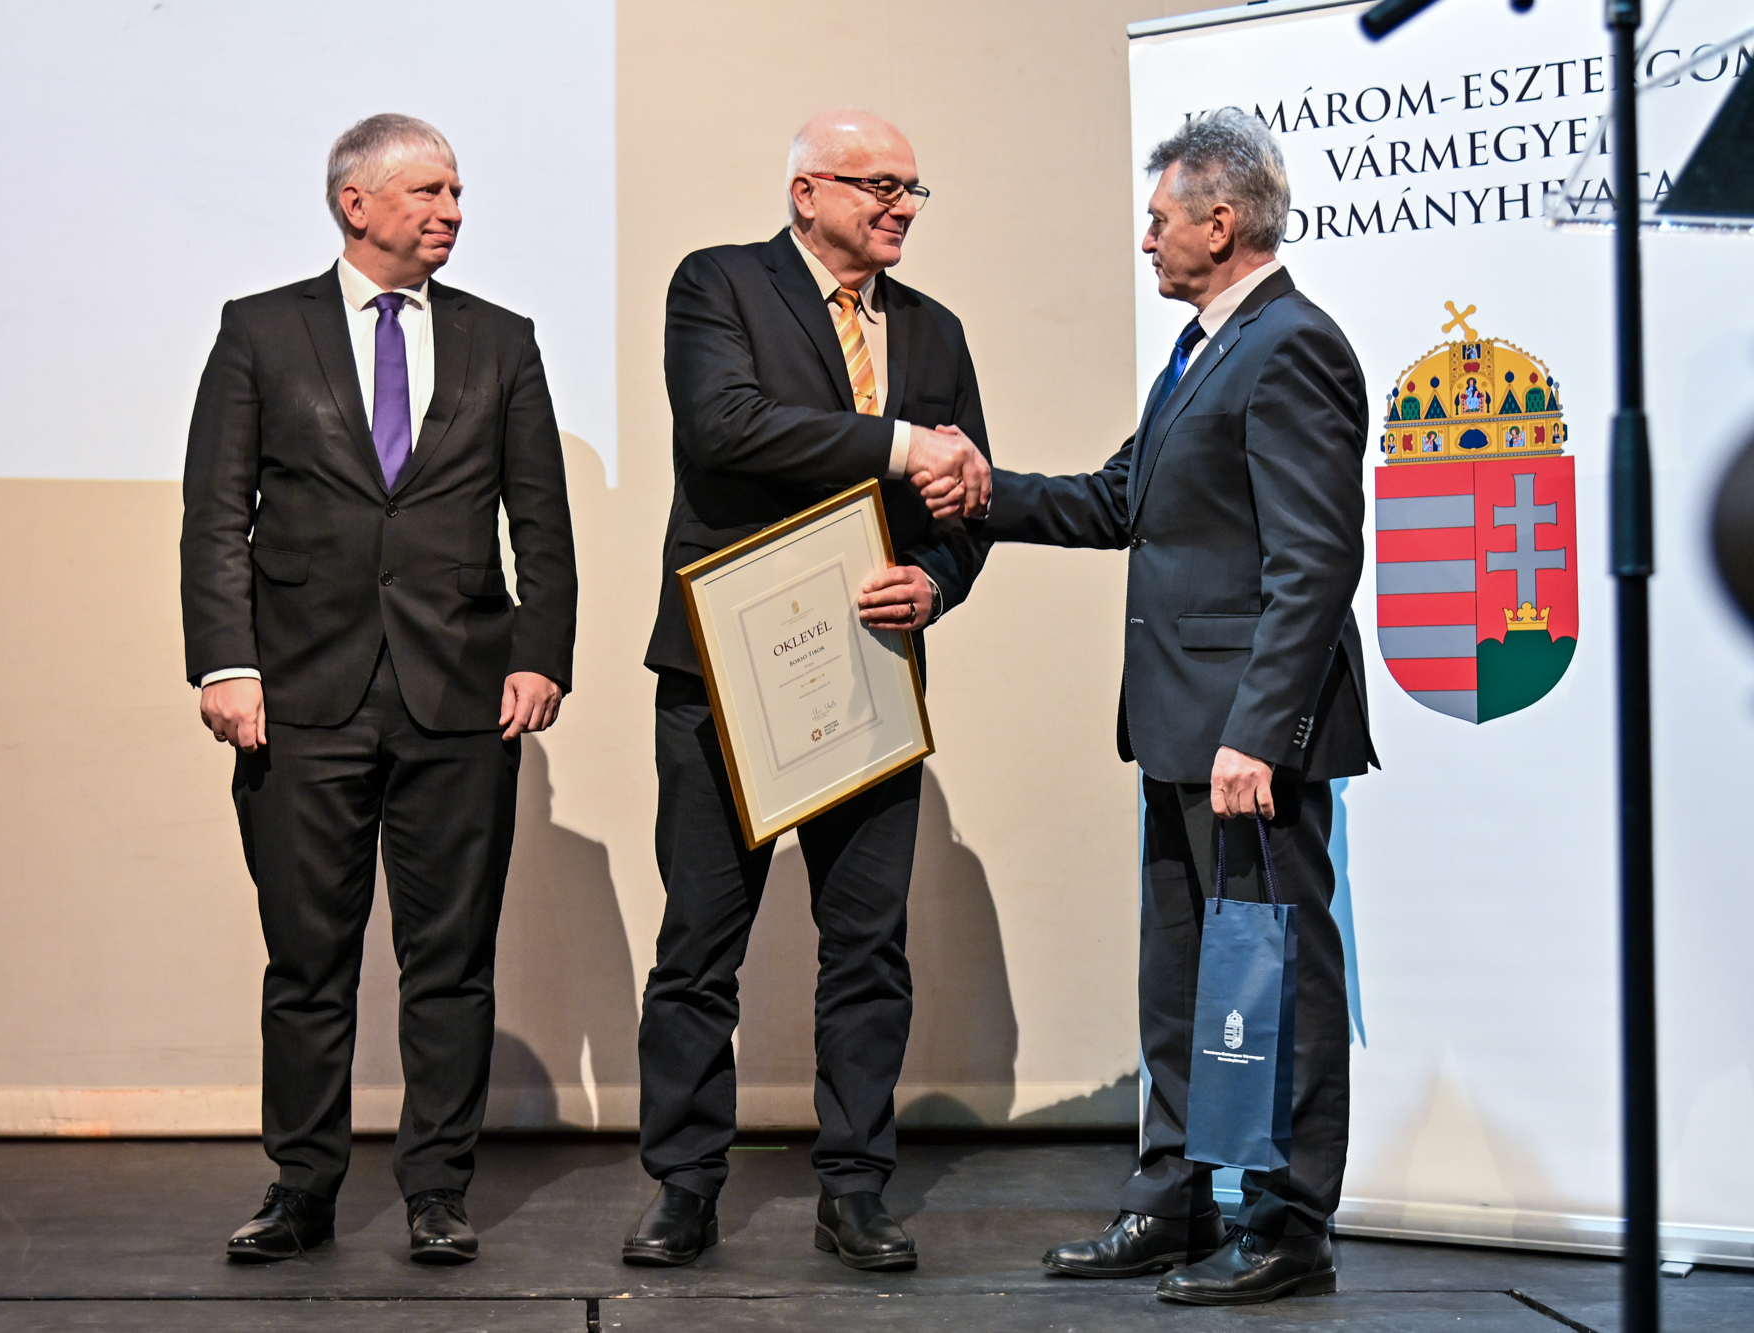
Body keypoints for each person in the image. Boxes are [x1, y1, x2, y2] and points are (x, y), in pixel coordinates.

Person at [919, 108, 1376, 1306]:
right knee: (1177, 976)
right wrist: (983, 493)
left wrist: (1256, 733)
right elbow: (1122, 499)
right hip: (1180, 726)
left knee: (1276, 975)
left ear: (1219, 224)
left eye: (1158, 217)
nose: (1144, 239)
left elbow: (1315, 564)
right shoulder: (1202, 349)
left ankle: (1289, 1223)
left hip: (1246, 740)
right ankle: (1172, 1198)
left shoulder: (1291, 347)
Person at [181, 113, 577, 1266]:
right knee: (308, 957)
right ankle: (301, 1186)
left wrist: (540, 651)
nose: (450, 211)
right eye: (427, 191)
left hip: (458, 693)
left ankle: (436, 1191)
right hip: (302, 697)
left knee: (449, 961)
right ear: (355, 203)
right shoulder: (261, 330)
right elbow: (216, 512)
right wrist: (226, 660)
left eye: (456, 192)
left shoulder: (501, 340)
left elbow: (540, 519)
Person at [624, 108, 992, 1273]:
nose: (901, 206)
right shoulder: (719, 285)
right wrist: (899, 447)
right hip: (723, 674)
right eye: (879, 184)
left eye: (912, 189)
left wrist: (935, 582)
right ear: (805, 191)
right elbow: (724, 429)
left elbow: (964, 503)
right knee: (698, 946)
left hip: (870, 672)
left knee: (868, 949)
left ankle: (855, 1187)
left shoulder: (932, 331)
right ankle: (684, 1185)